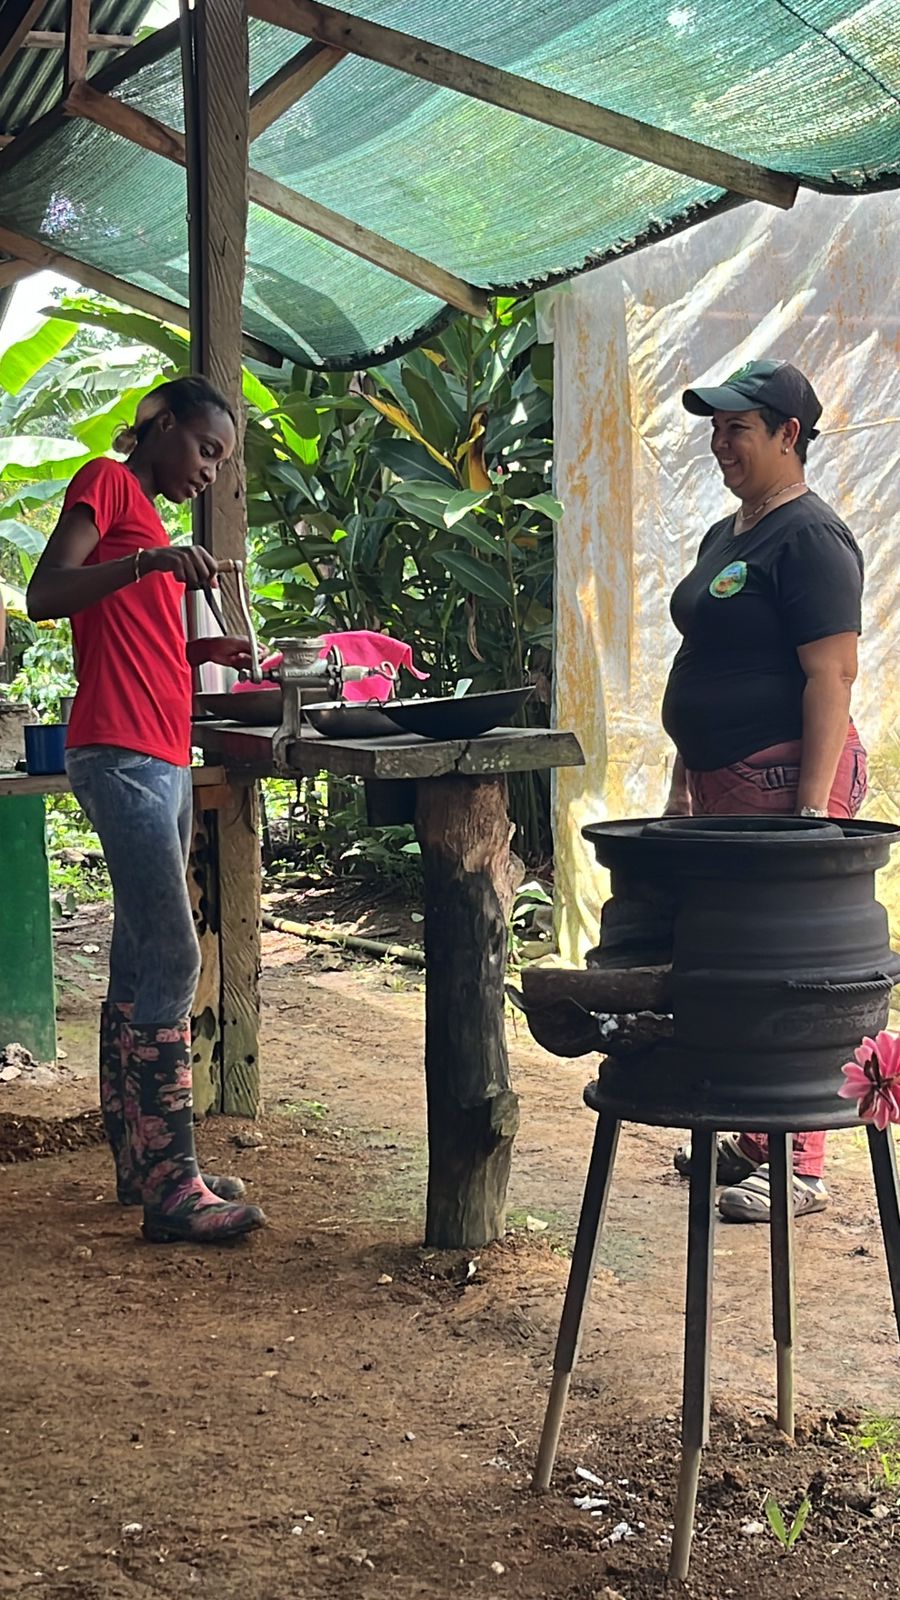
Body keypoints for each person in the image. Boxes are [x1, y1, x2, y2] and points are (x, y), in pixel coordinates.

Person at [27, 376, 266, 1245]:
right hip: (120, 750)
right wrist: (147, 564)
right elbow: (45, 593)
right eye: (205, 448)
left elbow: (131, 636)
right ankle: (173, 1190)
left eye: (221, 461)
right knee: (172, 952)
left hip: (159, 752)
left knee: (137, 961)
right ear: (159, 426)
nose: (210, 471)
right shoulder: (107, 481)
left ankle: (145, 1164)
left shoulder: (151, 526)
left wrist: (206, 649)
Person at [661, 359, 866, 1224]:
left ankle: (800, 1166)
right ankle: (753, 1140)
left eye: (737, 428)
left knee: (791, 967)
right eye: (715, 429)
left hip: (787, 779)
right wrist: (683, 783)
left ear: (788, 434)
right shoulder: (728, 534)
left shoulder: (812, 538)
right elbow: (703, 659)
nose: (720, 443)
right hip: (722, 782)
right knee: (737, 959)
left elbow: (833, 676)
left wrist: (810, 818)